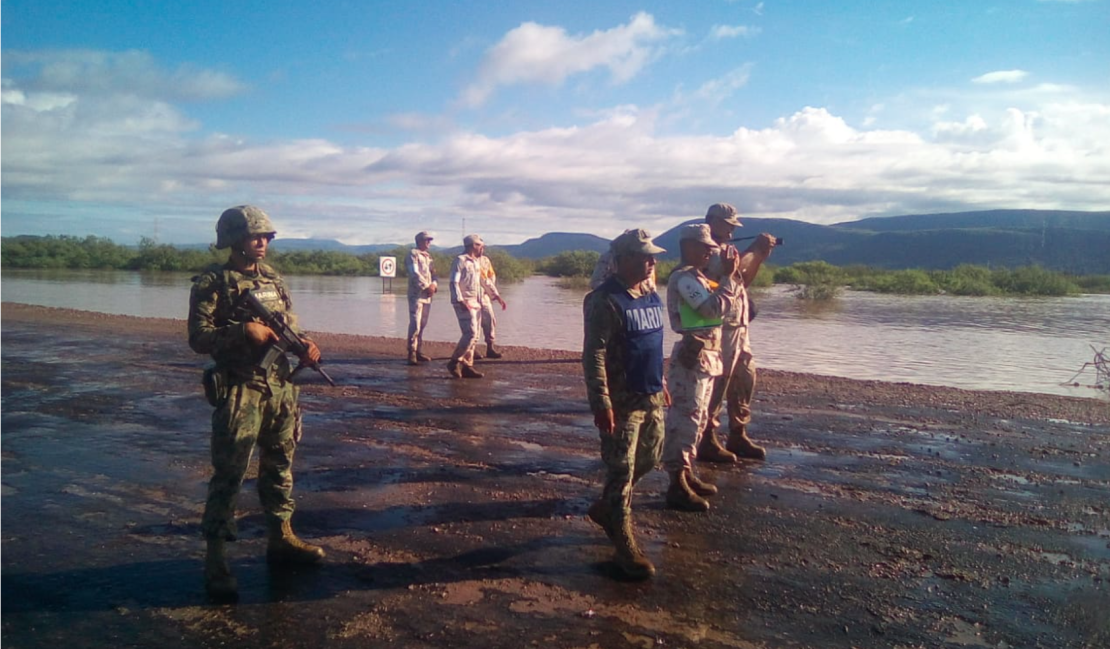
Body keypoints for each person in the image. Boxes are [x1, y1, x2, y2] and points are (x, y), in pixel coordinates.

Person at [188, 205, 326, 602]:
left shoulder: (273, 279)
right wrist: (241, 331)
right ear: (233, 240)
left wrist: (307, 347)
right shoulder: (213, 282)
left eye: (266, 236)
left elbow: (291, 326)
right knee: (230, 472)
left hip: (281, 388)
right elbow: (198, 338)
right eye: (255, 236)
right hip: (241, 389)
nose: (262, 243)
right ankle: (217, 557)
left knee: (280, 465)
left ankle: (281, 537)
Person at [583, 229, 669, 579]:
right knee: (621, 471)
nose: (652, 261)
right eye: (644, 255)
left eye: (653, 255)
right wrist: (601, 401)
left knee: (651, 457)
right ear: (624, 259)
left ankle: (606, 508)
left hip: (651, 394)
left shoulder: (649, 294)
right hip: (621, 401)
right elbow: (594, 354)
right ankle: (624, 546)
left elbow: (651, 342)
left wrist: (661, 381)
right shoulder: (604, 300)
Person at [661, 224, 741, 512]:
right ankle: (676, 483)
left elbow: (723, 310)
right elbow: (712, 310)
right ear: (689, 246)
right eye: (705, 246)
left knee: (699, 419)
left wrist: (724, 277)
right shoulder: (684, 279)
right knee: (685, 419)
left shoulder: (700, 278)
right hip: (692, 359)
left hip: (706, 357)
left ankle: (687, 472)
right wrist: (729, 279)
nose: (711, 251)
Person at [698, 203, 778, 462]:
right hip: (720, 327)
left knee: (745, 378)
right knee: (719, 381)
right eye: (728, 224)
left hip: (739, 325)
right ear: (712, 221)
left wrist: (759, 256)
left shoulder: (729, 250)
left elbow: (743, 279)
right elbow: (728, 273)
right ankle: (707, 438)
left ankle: (737, 433)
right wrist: (754, 251)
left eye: (734, 225)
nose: (732, 229)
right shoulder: (704, 249)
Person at [448, 234, 488, 379]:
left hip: (476, 301)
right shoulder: (460, 260)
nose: (482, 249)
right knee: (470, 333)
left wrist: (494, 295)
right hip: (464, 301)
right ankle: (454, 361)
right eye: (480, 246)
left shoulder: (476, 262)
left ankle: (467, 365)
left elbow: (481, 281)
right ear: (473, 246)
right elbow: (454, 282)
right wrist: (460, 299)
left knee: (476, 335)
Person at [406, 231, 438, 366]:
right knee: (415, 323)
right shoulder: (413, 254)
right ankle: (411, 351)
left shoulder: (428, 257)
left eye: (430, 240)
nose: (429, 242)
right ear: (419, 241)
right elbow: (414, 273)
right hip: (416, 294)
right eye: (426, 240)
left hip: (427, 295)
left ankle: (418, 350)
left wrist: (434, 284)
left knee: (423, 323)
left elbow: (434, 273)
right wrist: (426, 286)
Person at [475, 249, 507, 360]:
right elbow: (482, 278)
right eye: (478, 246)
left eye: (482, 247)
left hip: (484, 295)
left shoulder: (485, 260)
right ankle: (471, 349)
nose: (481, 249)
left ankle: (490, 348)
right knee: (474, 322)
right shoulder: (467, 260)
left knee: (490, 320)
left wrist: (491, 292)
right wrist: (496, 295)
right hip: (472, 296)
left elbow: (491, 276)